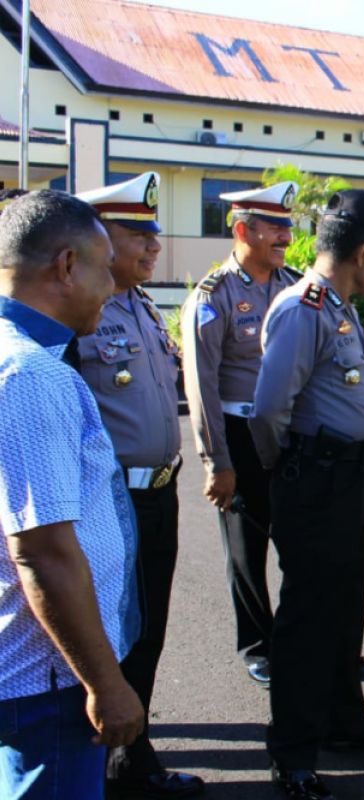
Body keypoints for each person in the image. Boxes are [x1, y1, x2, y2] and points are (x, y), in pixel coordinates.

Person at [249, 189, 364, 800]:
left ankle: (346, 723)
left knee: (343, 614)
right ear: (363, 251)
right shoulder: (304, 308)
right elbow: (268, 412)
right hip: (317, 485)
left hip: (350, 482)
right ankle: (291, 754)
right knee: (308, 623)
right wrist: (293, 470)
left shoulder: (337, 307)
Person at [0, 190, 144, 799]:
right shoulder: (32, 375)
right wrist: (106, 685)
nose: (112, 286)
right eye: (104, 268)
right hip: (50, 681)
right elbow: (44, 553)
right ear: (65, 266)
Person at [75, 173, 204, 798]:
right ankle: (102, 762)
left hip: (159, 494)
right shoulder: (79, 316)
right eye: (138, 234)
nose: (153, 246)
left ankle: (130, 758)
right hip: (110, 499)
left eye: (155, 234)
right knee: (109, 632)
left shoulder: (141, 307)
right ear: (99, 238)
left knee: (148, 629)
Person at [181, 181, 299, 686]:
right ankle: (258, 644)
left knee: (301, 541)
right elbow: (202, 388)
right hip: (240, 431)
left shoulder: (296, 286)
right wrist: (217, 462)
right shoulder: (214, 296)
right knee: (247, 551)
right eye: (274, 226)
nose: (285, 237)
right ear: (241, 229)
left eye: (288, 226)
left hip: (292, 433)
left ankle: (300, 638)